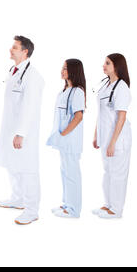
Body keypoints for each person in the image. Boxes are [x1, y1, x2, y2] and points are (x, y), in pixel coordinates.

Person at [0, 35, 45, 225]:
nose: (11, 49)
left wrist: (21, 132)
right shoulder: (14, 71)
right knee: (12, 164)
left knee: (27, 168)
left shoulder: (33, 76)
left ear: (25, 51)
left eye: (15, 47)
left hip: (23, 132)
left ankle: (32, 210)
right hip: (10, 128)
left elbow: (30, 107)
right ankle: (18, 198)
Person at [92, 53, 132, 219]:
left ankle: (116, 210)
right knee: (108, 172)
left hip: (118, 139)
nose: (104, 65)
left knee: (117, 174)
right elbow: (101, 113)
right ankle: (108, 204)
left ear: (117, 66)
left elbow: (121, 117)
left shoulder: (122, 87)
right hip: (105, 137)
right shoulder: (106, 84)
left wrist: (113, 142)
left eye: (107, 63)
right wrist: (96, 135)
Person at [46, 59, 86, 218]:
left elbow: (78, 117)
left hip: (70, 141)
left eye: (65, 69)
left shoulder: (78, 92)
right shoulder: (64, 91)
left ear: (74, 71)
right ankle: (67, 204)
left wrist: (63, 135)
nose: (62, 71)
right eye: (62, 68)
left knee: (72, 174)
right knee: (65, 172)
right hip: (63, 141)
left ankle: (74, 210)